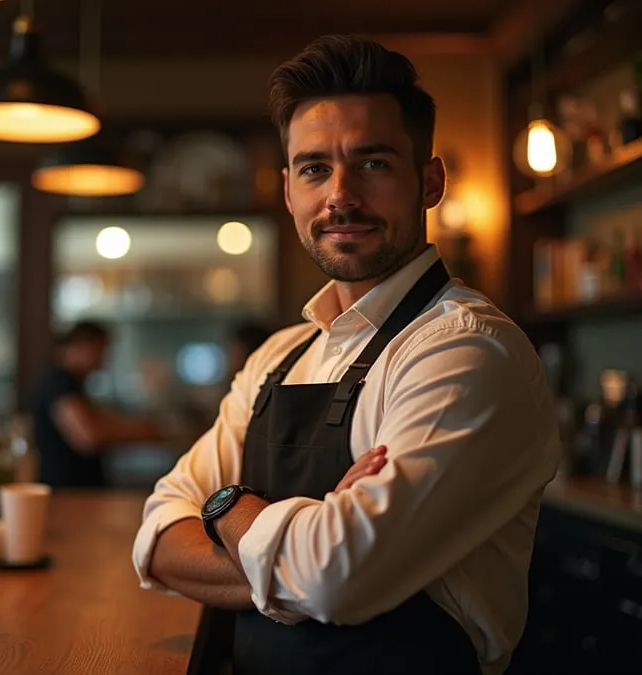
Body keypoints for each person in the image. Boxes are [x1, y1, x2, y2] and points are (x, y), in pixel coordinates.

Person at [132, 35, 561, 675]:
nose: (340, 195)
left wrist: (226, 507)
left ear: (430, 181)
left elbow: (333, 579)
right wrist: (300, 549)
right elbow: (159, 537)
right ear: (287, 189)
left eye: (374, 163)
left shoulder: (465, 351)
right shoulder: (280, 355)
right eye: (314, 168)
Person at [33, 321, 161, 488]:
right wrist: (144, 431)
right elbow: (87, 436)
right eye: (102, 350)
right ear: (84, 345)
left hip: (74, 491)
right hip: (69, 492)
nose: (105, 358)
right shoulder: (59, 382)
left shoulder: (70, 382)